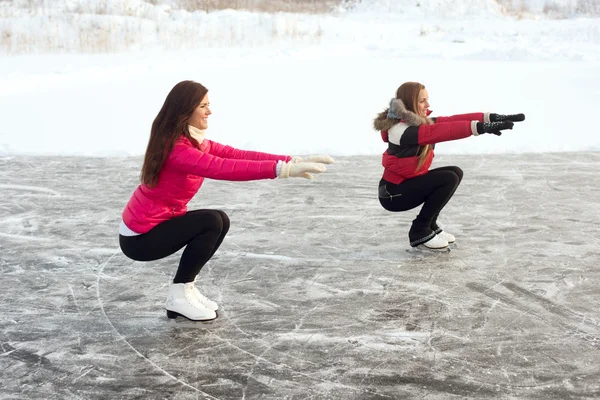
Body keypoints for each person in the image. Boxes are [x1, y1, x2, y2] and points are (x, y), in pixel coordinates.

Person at [119, 80, 334, 322]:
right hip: (140, 237)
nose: (209, 111)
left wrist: (290, 160)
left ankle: (184, 290)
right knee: (211, 221)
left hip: (152, 225)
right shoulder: (179, 150)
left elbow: (235, 154)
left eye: (208, 105)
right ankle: (179, 295)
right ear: (185, 110)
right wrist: (280, 170)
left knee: (219, 220)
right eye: (203, 106)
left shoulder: (191, 141)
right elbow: (223, 167)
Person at [373, 81, 525, 251]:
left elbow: (450, 121)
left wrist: (489, 118)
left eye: (427, 99)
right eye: (422, 100)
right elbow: (441, 131)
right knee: (448, 178)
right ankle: (420, 230)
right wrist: (480, 128)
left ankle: (430, 225)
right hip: (393, 194)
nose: (428, 104)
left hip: (405, 185)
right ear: (410, 102)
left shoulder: (418, 122)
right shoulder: (400, 130)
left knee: (455, 172)